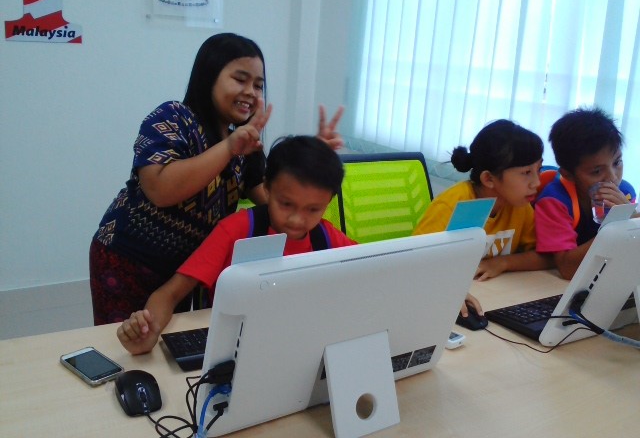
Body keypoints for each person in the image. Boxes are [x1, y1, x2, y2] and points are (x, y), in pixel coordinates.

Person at [90, 33, 343, 325]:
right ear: (209, 76)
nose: (251, 92)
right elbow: (159, 189)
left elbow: (276, 199)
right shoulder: (174, 117)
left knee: (167, 338)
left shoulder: (245, 143)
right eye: (240, 79)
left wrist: (310, 164)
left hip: (185, 267)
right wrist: (228, 148)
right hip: (128, 257)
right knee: (124, 339)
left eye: (258, 85)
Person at [117, 135, 357, 354]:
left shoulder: (327, 237)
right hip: (236, 350)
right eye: (286, 204)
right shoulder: (237, 230)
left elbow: (371, 270)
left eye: (313, 209)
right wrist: (149, 330)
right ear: (267, 188)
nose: (297, 219)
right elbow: (169, 294)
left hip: (299, 346)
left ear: (328, 202)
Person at [413, 119, 553, 291]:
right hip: (445, 291)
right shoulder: (452, 205)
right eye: (526, 173)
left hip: (491, 292)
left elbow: (546, 256)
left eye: (539, 169)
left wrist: (503, 263)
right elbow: (415, 265)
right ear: (488, 179)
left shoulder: (520, 205)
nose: (536, 182)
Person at [535, 106, 636, 280]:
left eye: (617, 162)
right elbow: (567, 268)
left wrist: (631, 215)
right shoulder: (555, 201)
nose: (612, 178)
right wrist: (618, 222)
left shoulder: (625, 192)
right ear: (568, 174)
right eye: (596, 171)